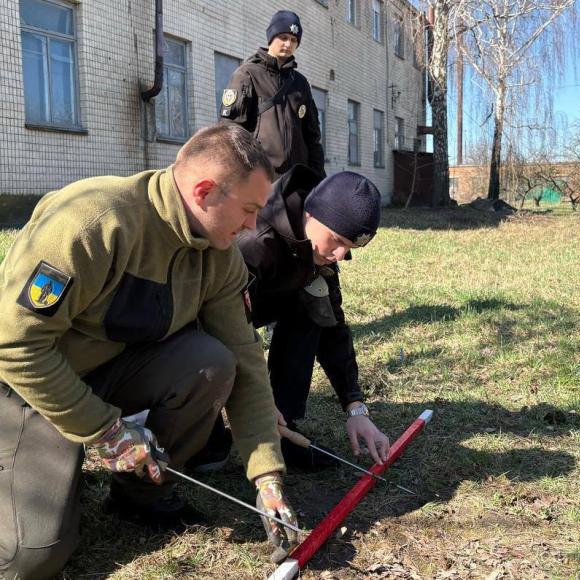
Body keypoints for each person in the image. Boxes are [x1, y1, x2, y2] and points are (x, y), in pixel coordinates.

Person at [0, 124, 297, 580]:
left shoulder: (219, 254)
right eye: (249, 210)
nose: (253, 227)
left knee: (212, 363)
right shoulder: (93, 223)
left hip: (109, 370)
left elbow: (245, 358)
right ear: (204, 192)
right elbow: (16, 344)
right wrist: (105, 429)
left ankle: (139, 495)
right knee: (30, 557)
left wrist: (267, 477)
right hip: (29, 387)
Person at [240, 164, 390, 469]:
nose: (339, 255)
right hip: (207, 323)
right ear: (311, 215)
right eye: (336, 240)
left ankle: (284, 425)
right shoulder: (254, 242)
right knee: (209, 455)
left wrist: (355, 406)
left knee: (314, 307)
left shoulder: (319, 249)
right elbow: (226, 326)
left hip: (258, 309)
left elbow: (332, 325)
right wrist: (257, 398)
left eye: (348, 247)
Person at [220, 10, 325, 179]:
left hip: (297, 181)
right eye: (283, 37)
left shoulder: (300, 83)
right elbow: (230, 131)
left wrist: (318, 177)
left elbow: (312, 138)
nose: (288, 44)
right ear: (271, 37)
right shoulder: (247, 74)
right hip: (261, 180)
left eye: (293, 40)